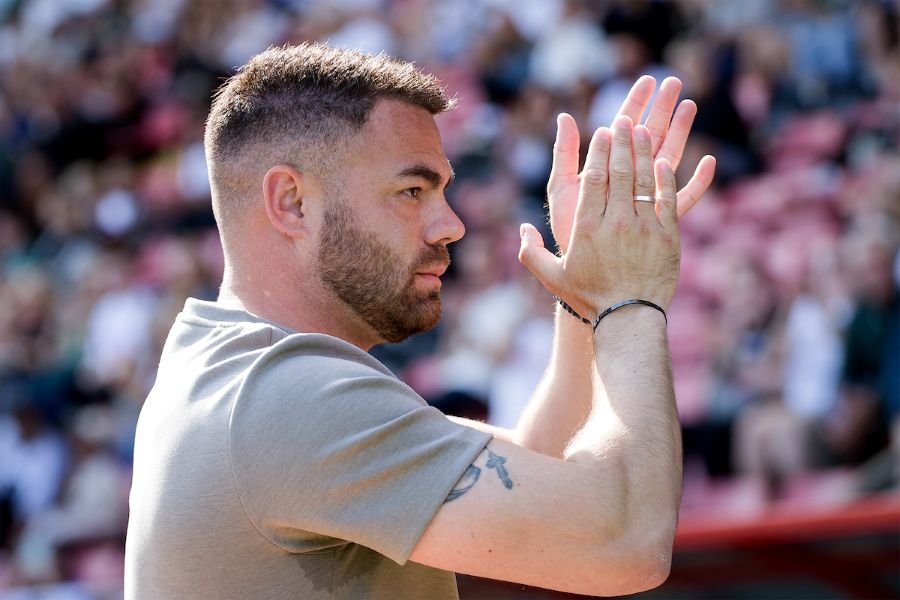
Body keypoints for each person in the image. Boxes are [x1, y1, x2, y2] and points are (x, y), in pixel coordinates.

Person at [124, 43, 715, 599]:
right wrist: (629, 298)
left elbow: (544, 467)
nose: (451, 225)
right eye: (412, 191)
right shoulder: (283, 394)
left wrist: (586, 301)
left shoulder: (233, 370)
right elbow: (624, 541)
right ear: (292, 203)